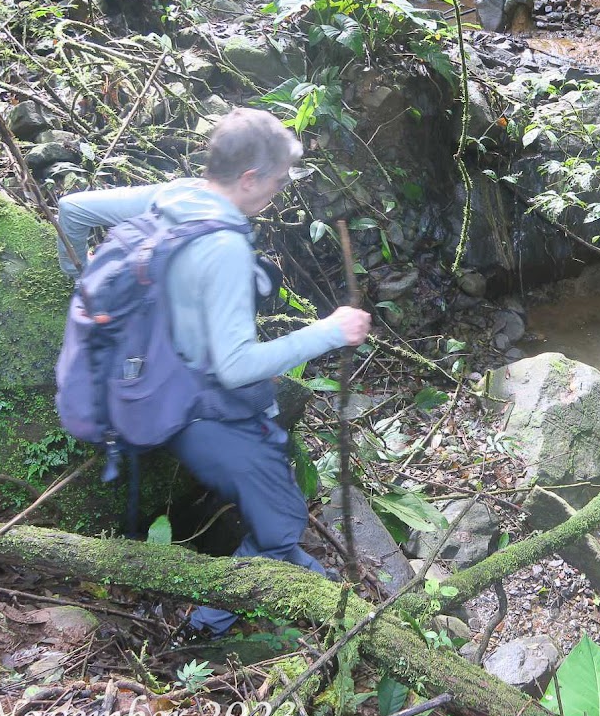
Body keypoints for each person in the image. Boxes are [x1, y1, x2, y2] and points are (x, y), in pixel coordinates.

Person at [56, 107, 371, 635]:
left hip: (140, 386)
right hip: (197, 412)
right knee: (282, 523)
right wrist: (330, 331)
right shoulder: (223, 247)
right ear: (248, 178)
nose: (279, 191)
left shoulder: (176, 195)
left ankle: (319, 591)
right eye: (277, 181)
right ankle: (201, 630)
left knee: (276, 512)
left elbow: (73, 209)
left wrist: (78, 277)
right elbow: (236, 366)